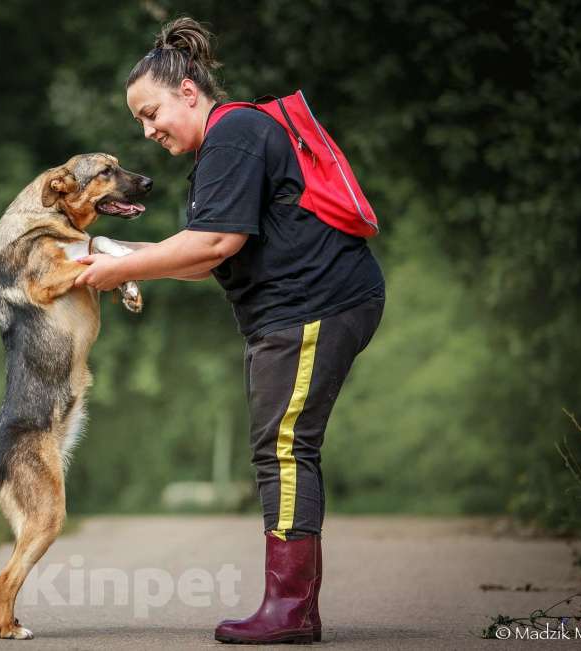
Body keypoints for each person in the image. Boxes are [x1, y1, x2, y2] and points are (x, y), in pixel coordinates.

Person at [74, 17, 385, 645]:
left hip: (313, 305)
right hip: (294, 311)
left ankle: (292, 609)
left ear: (189, 91)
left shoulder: (236, 133)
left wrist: (121, 269)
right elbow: (202, 256)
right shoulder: (223, 148)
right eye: (138, 119)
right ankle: (291, 605)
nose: (147, 129)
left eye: (151, 111)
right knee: (280, 447)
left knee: (286, 448)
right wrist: (114, 255)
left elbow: (214, 240)